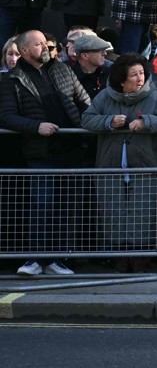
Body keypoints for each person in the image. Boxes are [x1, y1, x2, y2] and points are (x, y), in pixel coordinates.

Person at [0, 29, 91, 276]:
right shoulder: (12, 79)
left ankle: (56, 260)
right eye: (39, 45)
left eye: (47, 44)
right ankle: (34, 259)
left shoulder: (63, 70)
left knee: (65, 208)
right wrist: (36, 127)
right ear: (25, 51)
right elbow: (6, 116)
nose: (47, 48)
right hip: (40, 152)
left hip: (70, 150)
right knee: (41, 207)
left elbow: (85, 102)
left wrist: (86, 124)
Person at [80, 53, 157, 271]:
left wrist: (146, 121)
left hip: (145, 164)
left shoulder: (154, 97)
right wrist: (108, 121)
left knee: (144, 210)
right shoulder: (105, 97)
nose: (140, 78)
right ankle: (120, 258)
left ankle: (141, 258)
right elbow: (86, 119)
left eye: (142, 73)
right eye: (134, 75)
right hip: (111, 164)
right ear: (122, 80)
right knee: (114, 210)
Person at [71, 32, 112, 102]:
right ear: (85, 56)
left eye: (105, 51)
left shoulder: (110, 72)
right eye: (100, 51)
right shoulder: (70, 77)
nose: (105, 54)